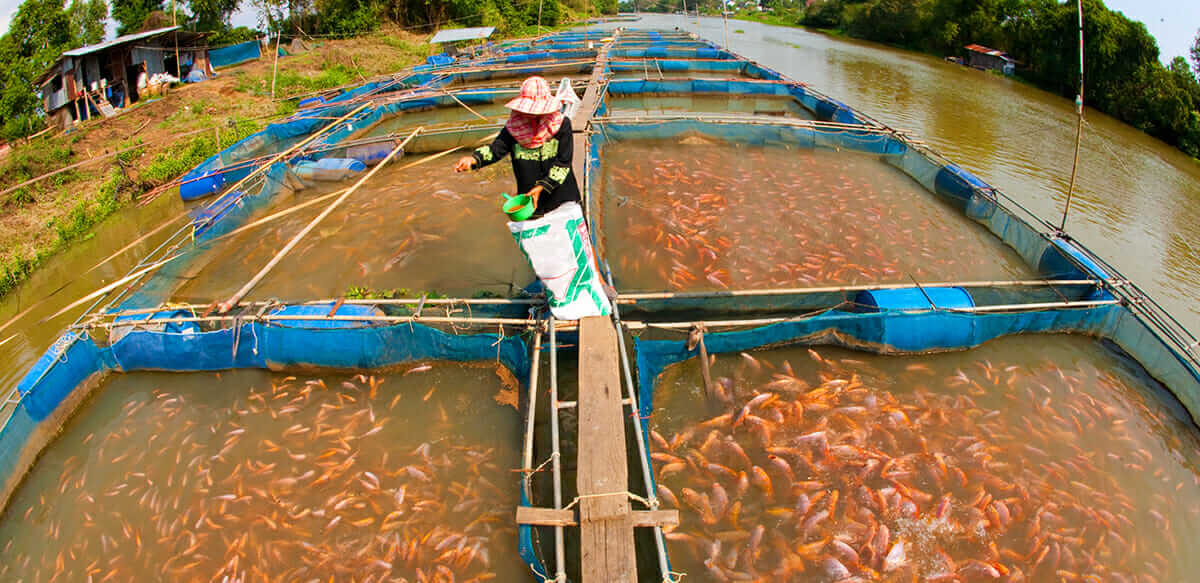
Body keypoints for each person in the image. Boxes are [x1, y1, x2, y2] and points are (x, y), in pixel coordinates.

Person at [454, 76, 581, 219]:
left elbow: (564, 163)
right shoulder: (513, 128)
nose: (532, 114)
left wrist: (541, 187)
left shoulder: (561, 125)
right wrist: (473, 159)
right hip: (529, 203)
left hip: (562, 197)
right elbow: (495, 150)